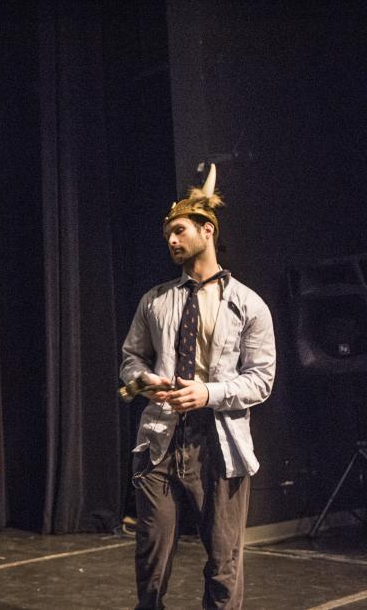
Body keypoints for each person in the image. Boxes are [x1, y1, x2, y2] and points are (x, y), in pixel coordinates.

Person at [120, 165, 276, 609]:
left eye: (179, 231)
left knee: (223, 561)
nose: (171, 240)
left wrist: (208, 393)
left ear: (207, 231)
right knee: (151, 556)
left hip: (218, 445)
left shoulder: (248, 305)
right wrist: (142, 381)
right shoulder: (155, 300)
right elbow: (130, 360)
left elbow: (261, 380)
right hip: (160, 441)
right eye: (168, 233)